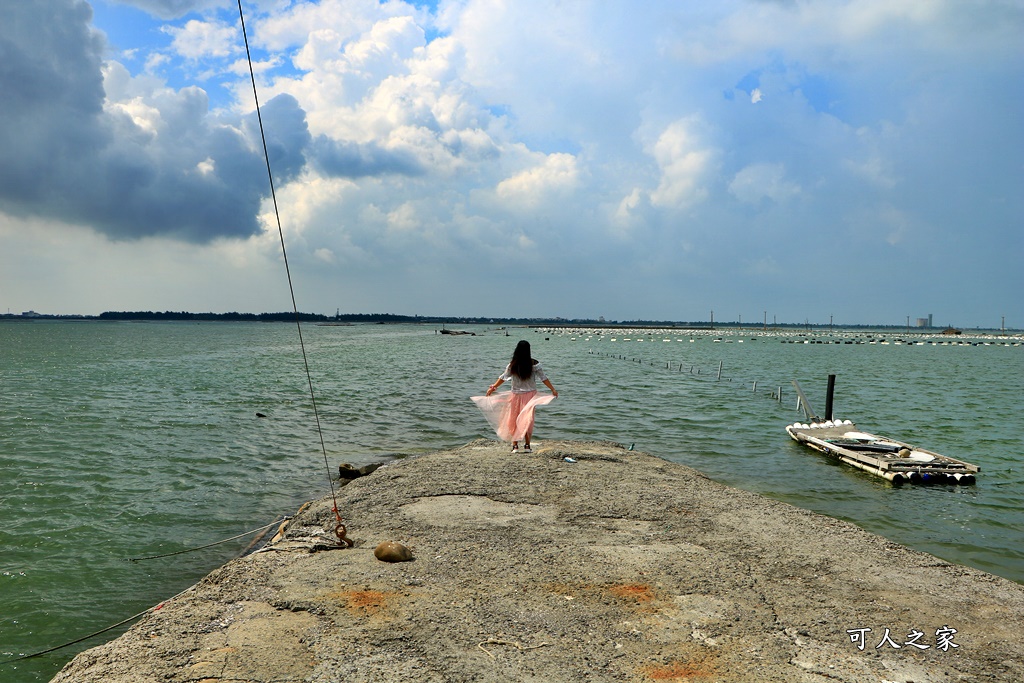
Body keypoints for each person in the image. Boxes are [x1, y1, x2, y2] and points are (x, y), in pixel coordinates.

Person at [473, 340, 557, 453]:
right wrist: (552, 389)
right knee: (527, 420)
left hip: (516, 395)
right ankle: (527, 446)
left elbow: (503, 377)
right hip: (530, 396)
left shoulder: (513, 364)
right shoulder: (534, 364)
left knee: (513, 419)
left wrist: (493, 388)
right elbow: (544, 378)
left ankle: (515, 446)